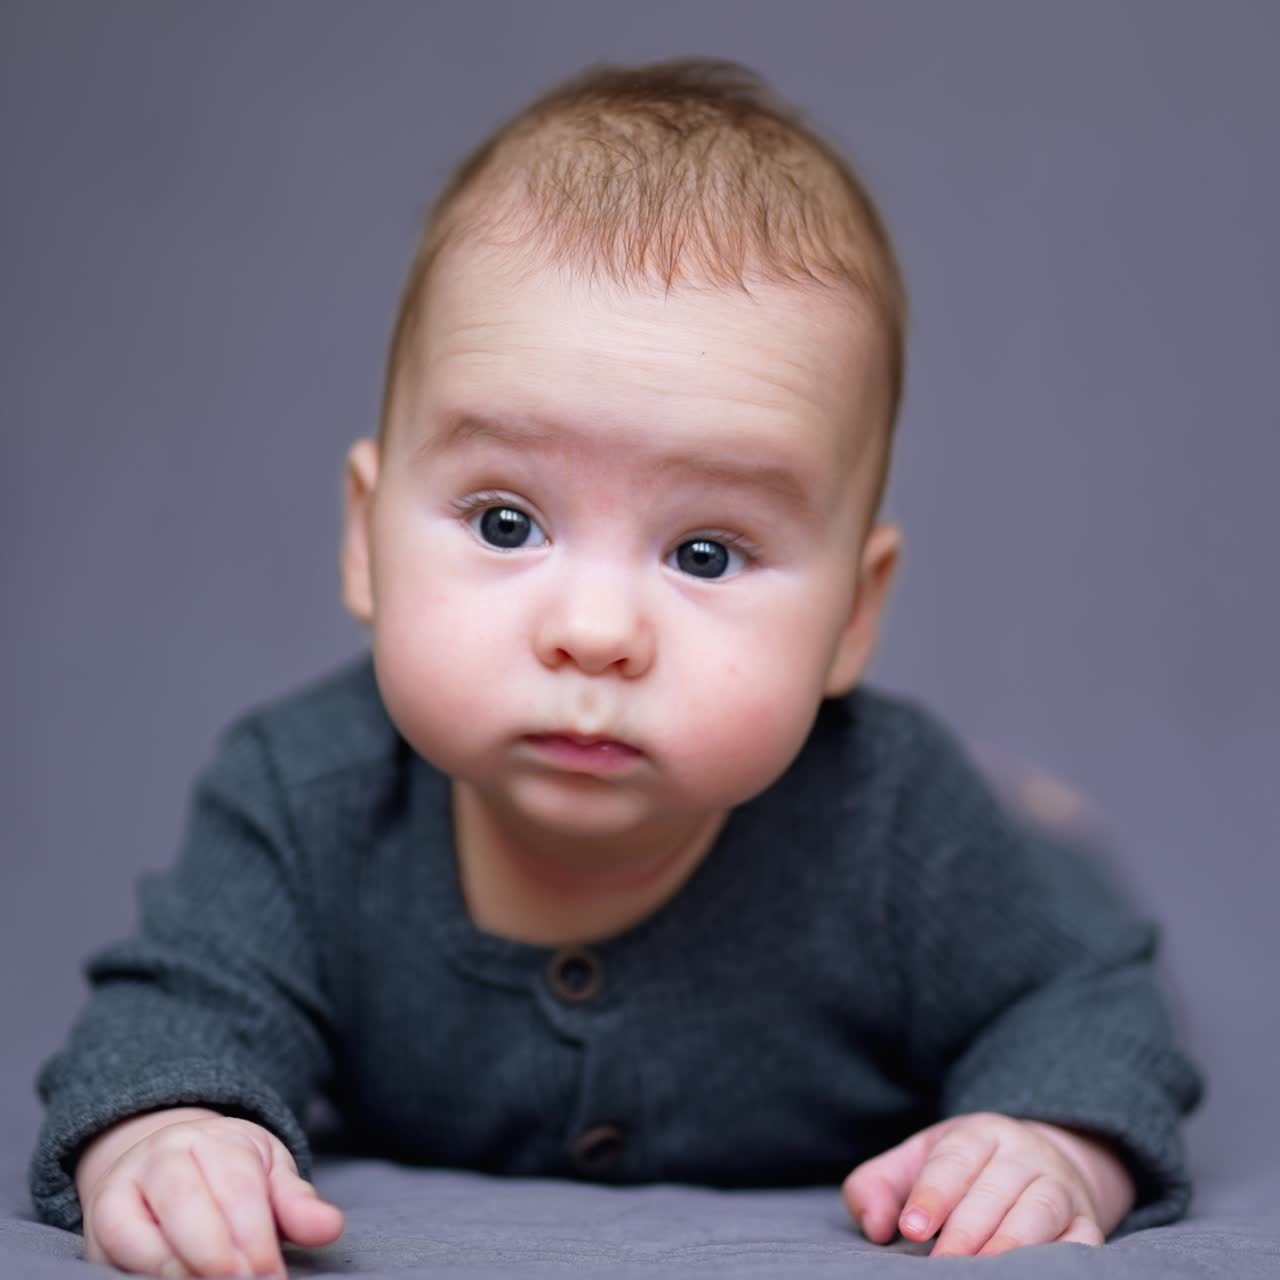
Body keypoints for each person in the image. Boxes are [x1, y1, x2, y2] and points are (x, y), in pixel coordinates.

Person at [30, 58, 1203, 1277]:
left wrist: (1053, 1140)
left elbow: (1083, 1003)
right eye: (503, 522)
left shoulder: (896, 822)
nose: (594, 630)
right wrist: (169, 1127)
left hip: (994, 850)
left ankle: (1041, 818)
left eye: (704, 551)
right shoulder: (303, 796)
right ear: (364, 540)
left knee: (1061, 896)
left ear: (853, 615)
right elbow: (175, 1007)